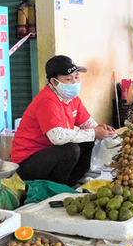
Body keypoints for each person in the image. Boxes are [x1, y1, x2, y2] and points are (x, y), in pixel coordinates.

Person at [11, 55, 116, 186]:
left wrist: (106, 133)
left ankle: (70, 183)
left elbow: (89, 125)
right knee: (71, 150)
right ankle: (56, 187)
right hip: (26, 163)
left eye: (76, 77)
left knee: (90, 140)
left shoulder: (72, 99)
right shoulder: (47, 100)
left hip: (50, 155)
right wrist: (94, 132)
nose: (75, 82)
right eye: (68, 79)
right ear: (54, 82)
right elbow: (57, 137)